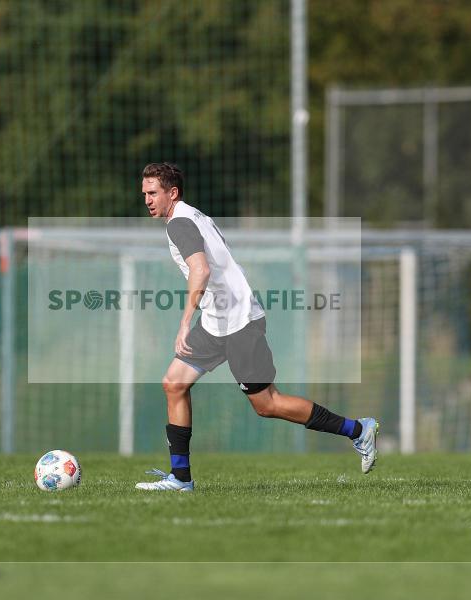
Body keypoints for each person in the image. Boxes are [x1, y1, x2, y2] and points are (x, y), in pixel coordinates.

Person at [135, 162, 378, 491]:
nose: (147, 199)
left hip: (238, 323)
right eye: (145, 193)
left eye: (153, 193)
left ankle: (358, 430)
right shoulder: (190, 216)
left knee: (267, 404)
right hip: (217, 321)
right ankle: (181, 478)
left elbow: (201, 270)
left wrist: (183, 322)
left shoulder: (179, 223)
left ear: (172, 193)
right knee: (174, 384)